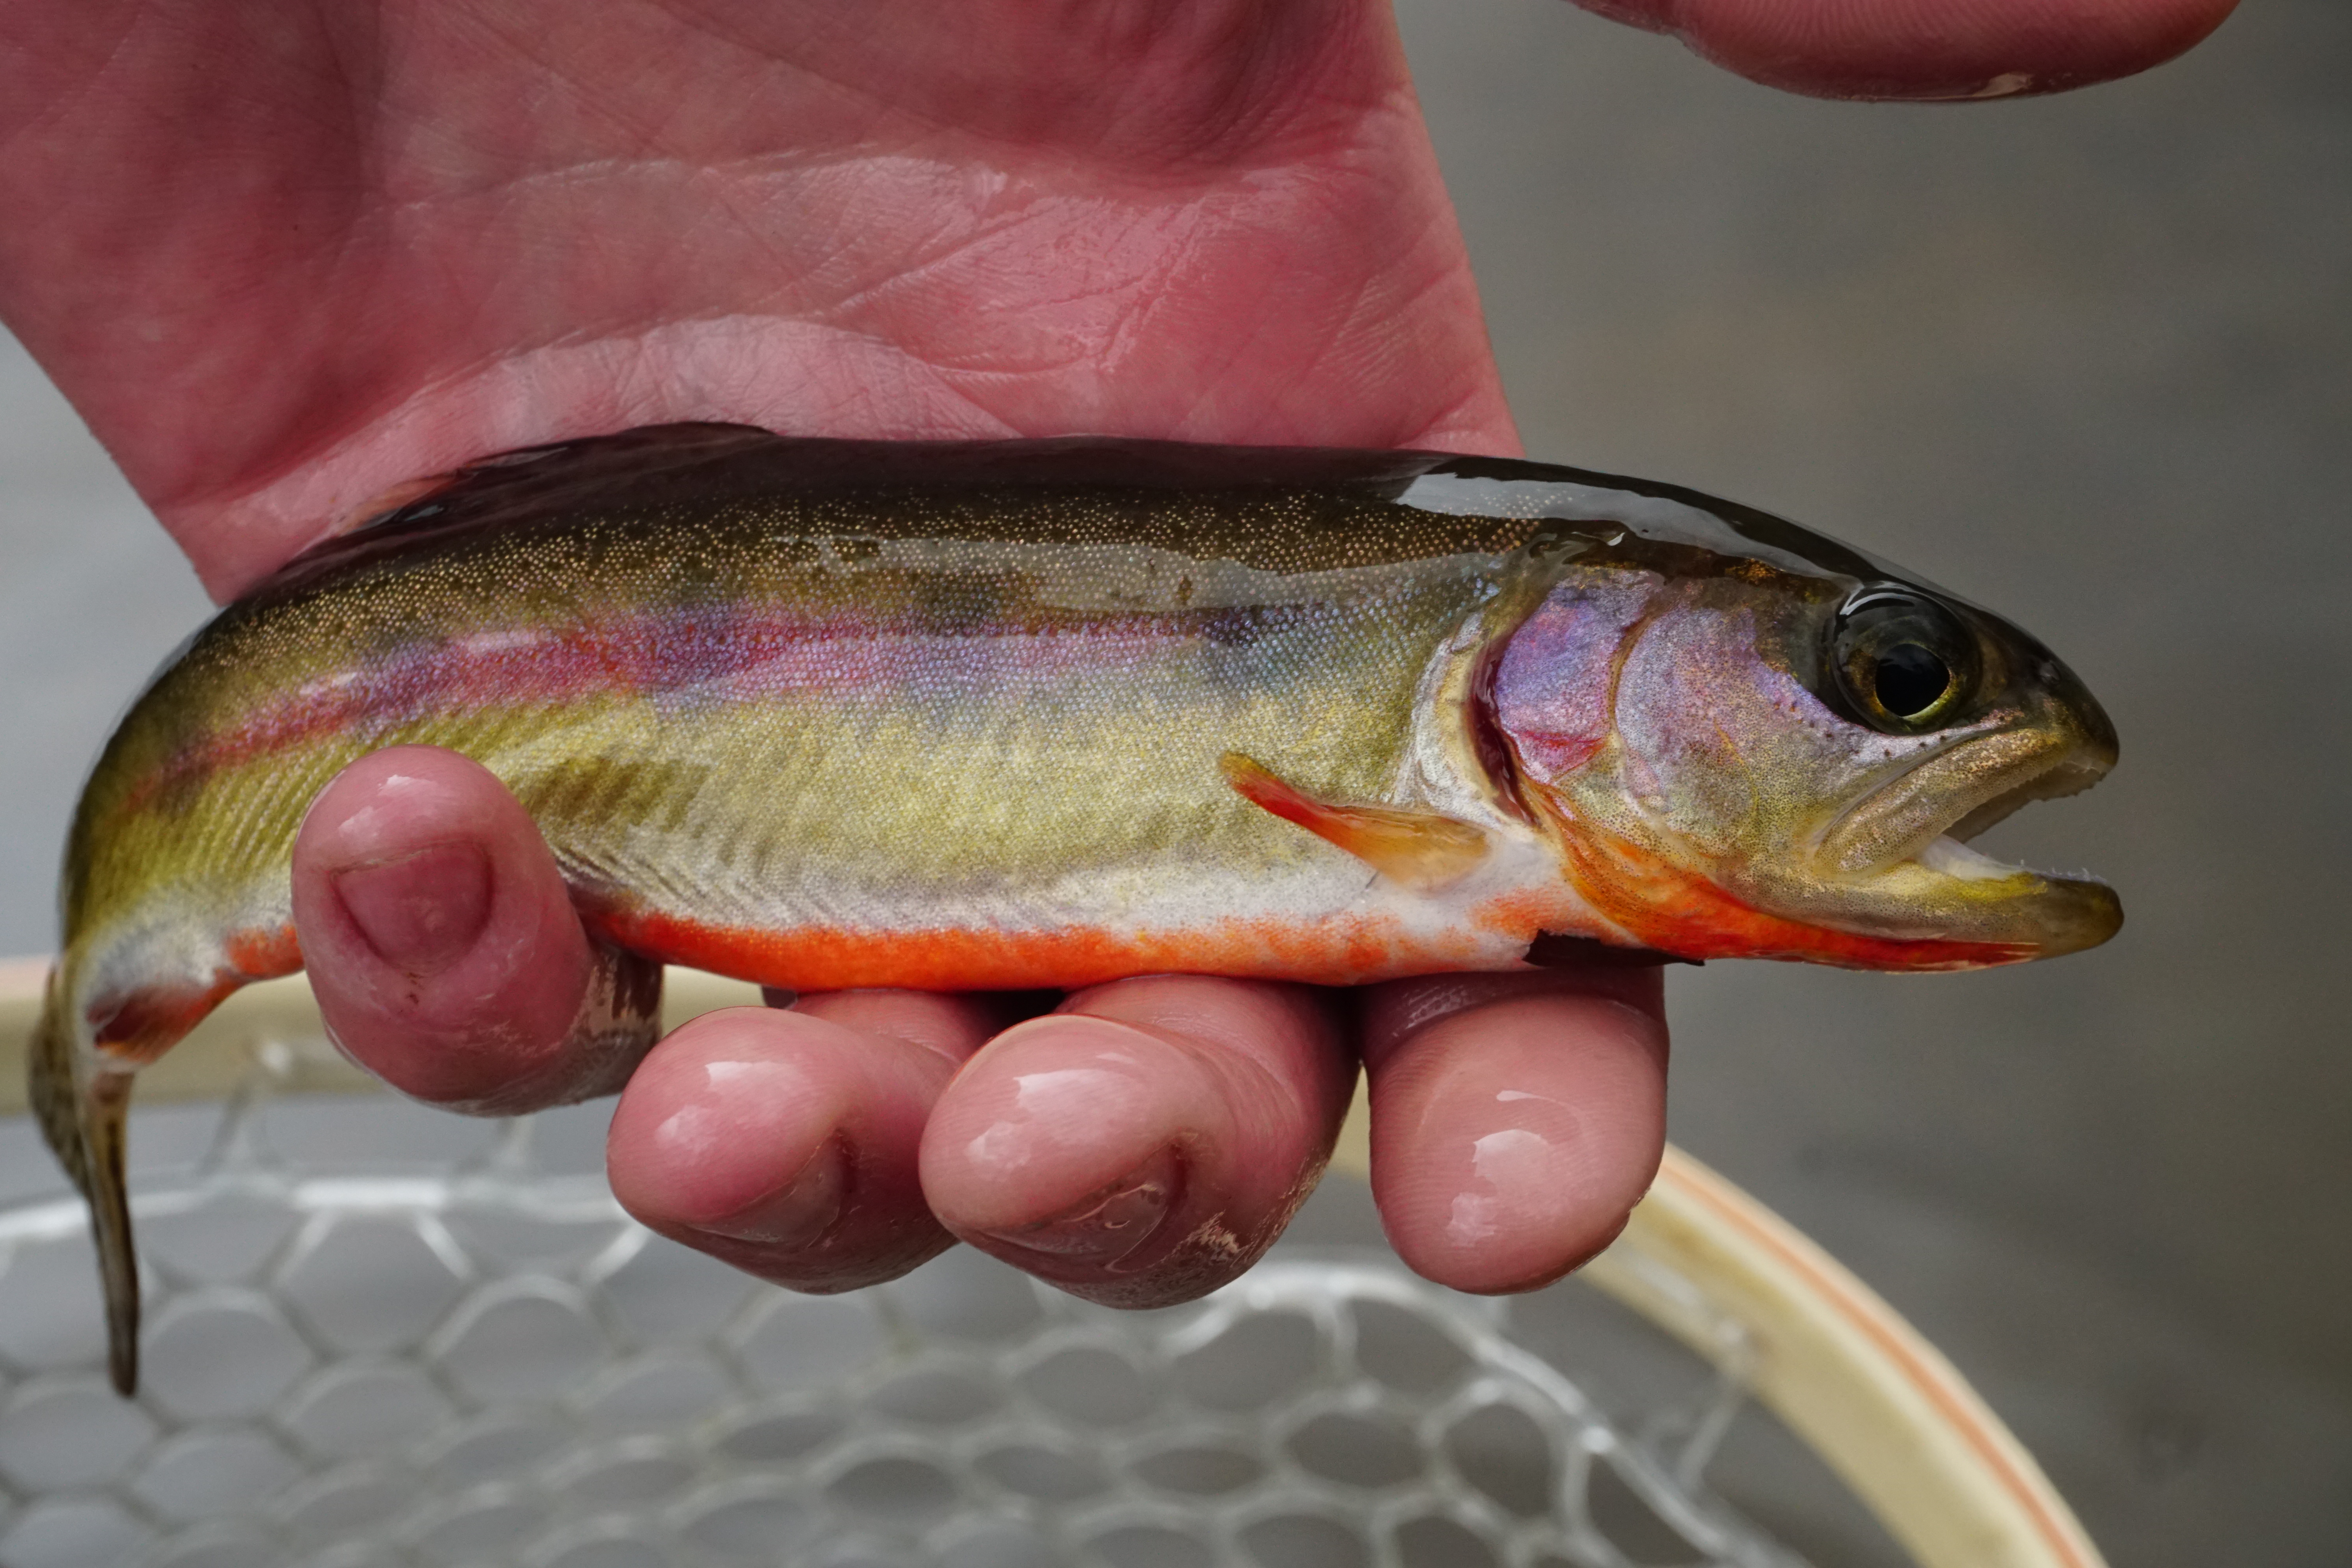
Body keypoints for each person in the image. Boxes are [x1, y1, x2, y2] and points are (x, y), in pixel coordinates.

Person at [0, 0, 2232, 1307]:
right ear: (1562, 664)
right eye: (1895, 686)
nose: (1935, 724)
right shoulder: (1422, 801)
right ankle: (98, 1059)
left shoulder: (1477, 798)